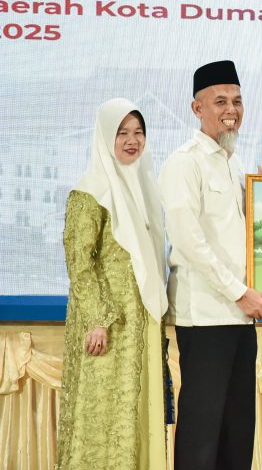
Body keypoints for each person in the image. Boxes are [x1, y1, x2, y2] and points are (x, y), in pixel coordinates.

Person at [159, 60, 262, 469]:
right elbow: (189, 242)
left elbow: (246, 231)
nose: (231, 110)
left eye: (237, 101)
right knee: (201, 436)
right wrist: (239, 292)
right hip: (205, 317)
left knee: (237, 434)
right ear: (197, 108)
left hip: (241, 315)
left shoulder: (234, 162)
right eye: (220, 101)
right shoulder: (184, 163)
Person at [56, 98, 168, 469]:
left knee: (136, 411)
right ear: (105, 137)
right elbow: (80, 263)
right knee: (104, 415)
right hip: (108, 327)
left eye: (138, 132)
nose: (132, 140)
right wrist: (97, 319)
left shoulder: (144, 189)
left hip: (141, 325)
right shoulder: (89, 193)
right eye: (122, 133)